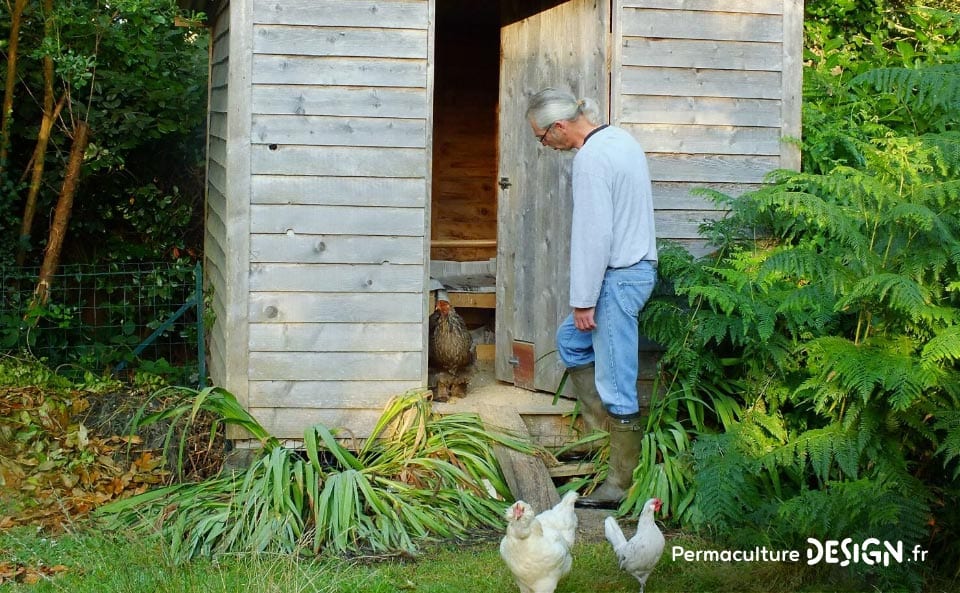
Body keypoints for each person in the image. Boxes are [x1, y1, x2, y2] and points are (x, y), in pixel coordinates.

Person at [526, 87, 658, 506]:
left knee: (616, 381)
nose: (544, 146)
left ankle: (621, 484)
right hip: (633, 272)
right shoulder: (621, 140)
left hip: (617, 279)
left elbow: (593, 235)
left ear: (560, 127)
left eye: (542, 138)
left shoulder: (591, 159)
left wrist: (583, 300)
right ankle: (602, 439)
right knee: (571, 342)